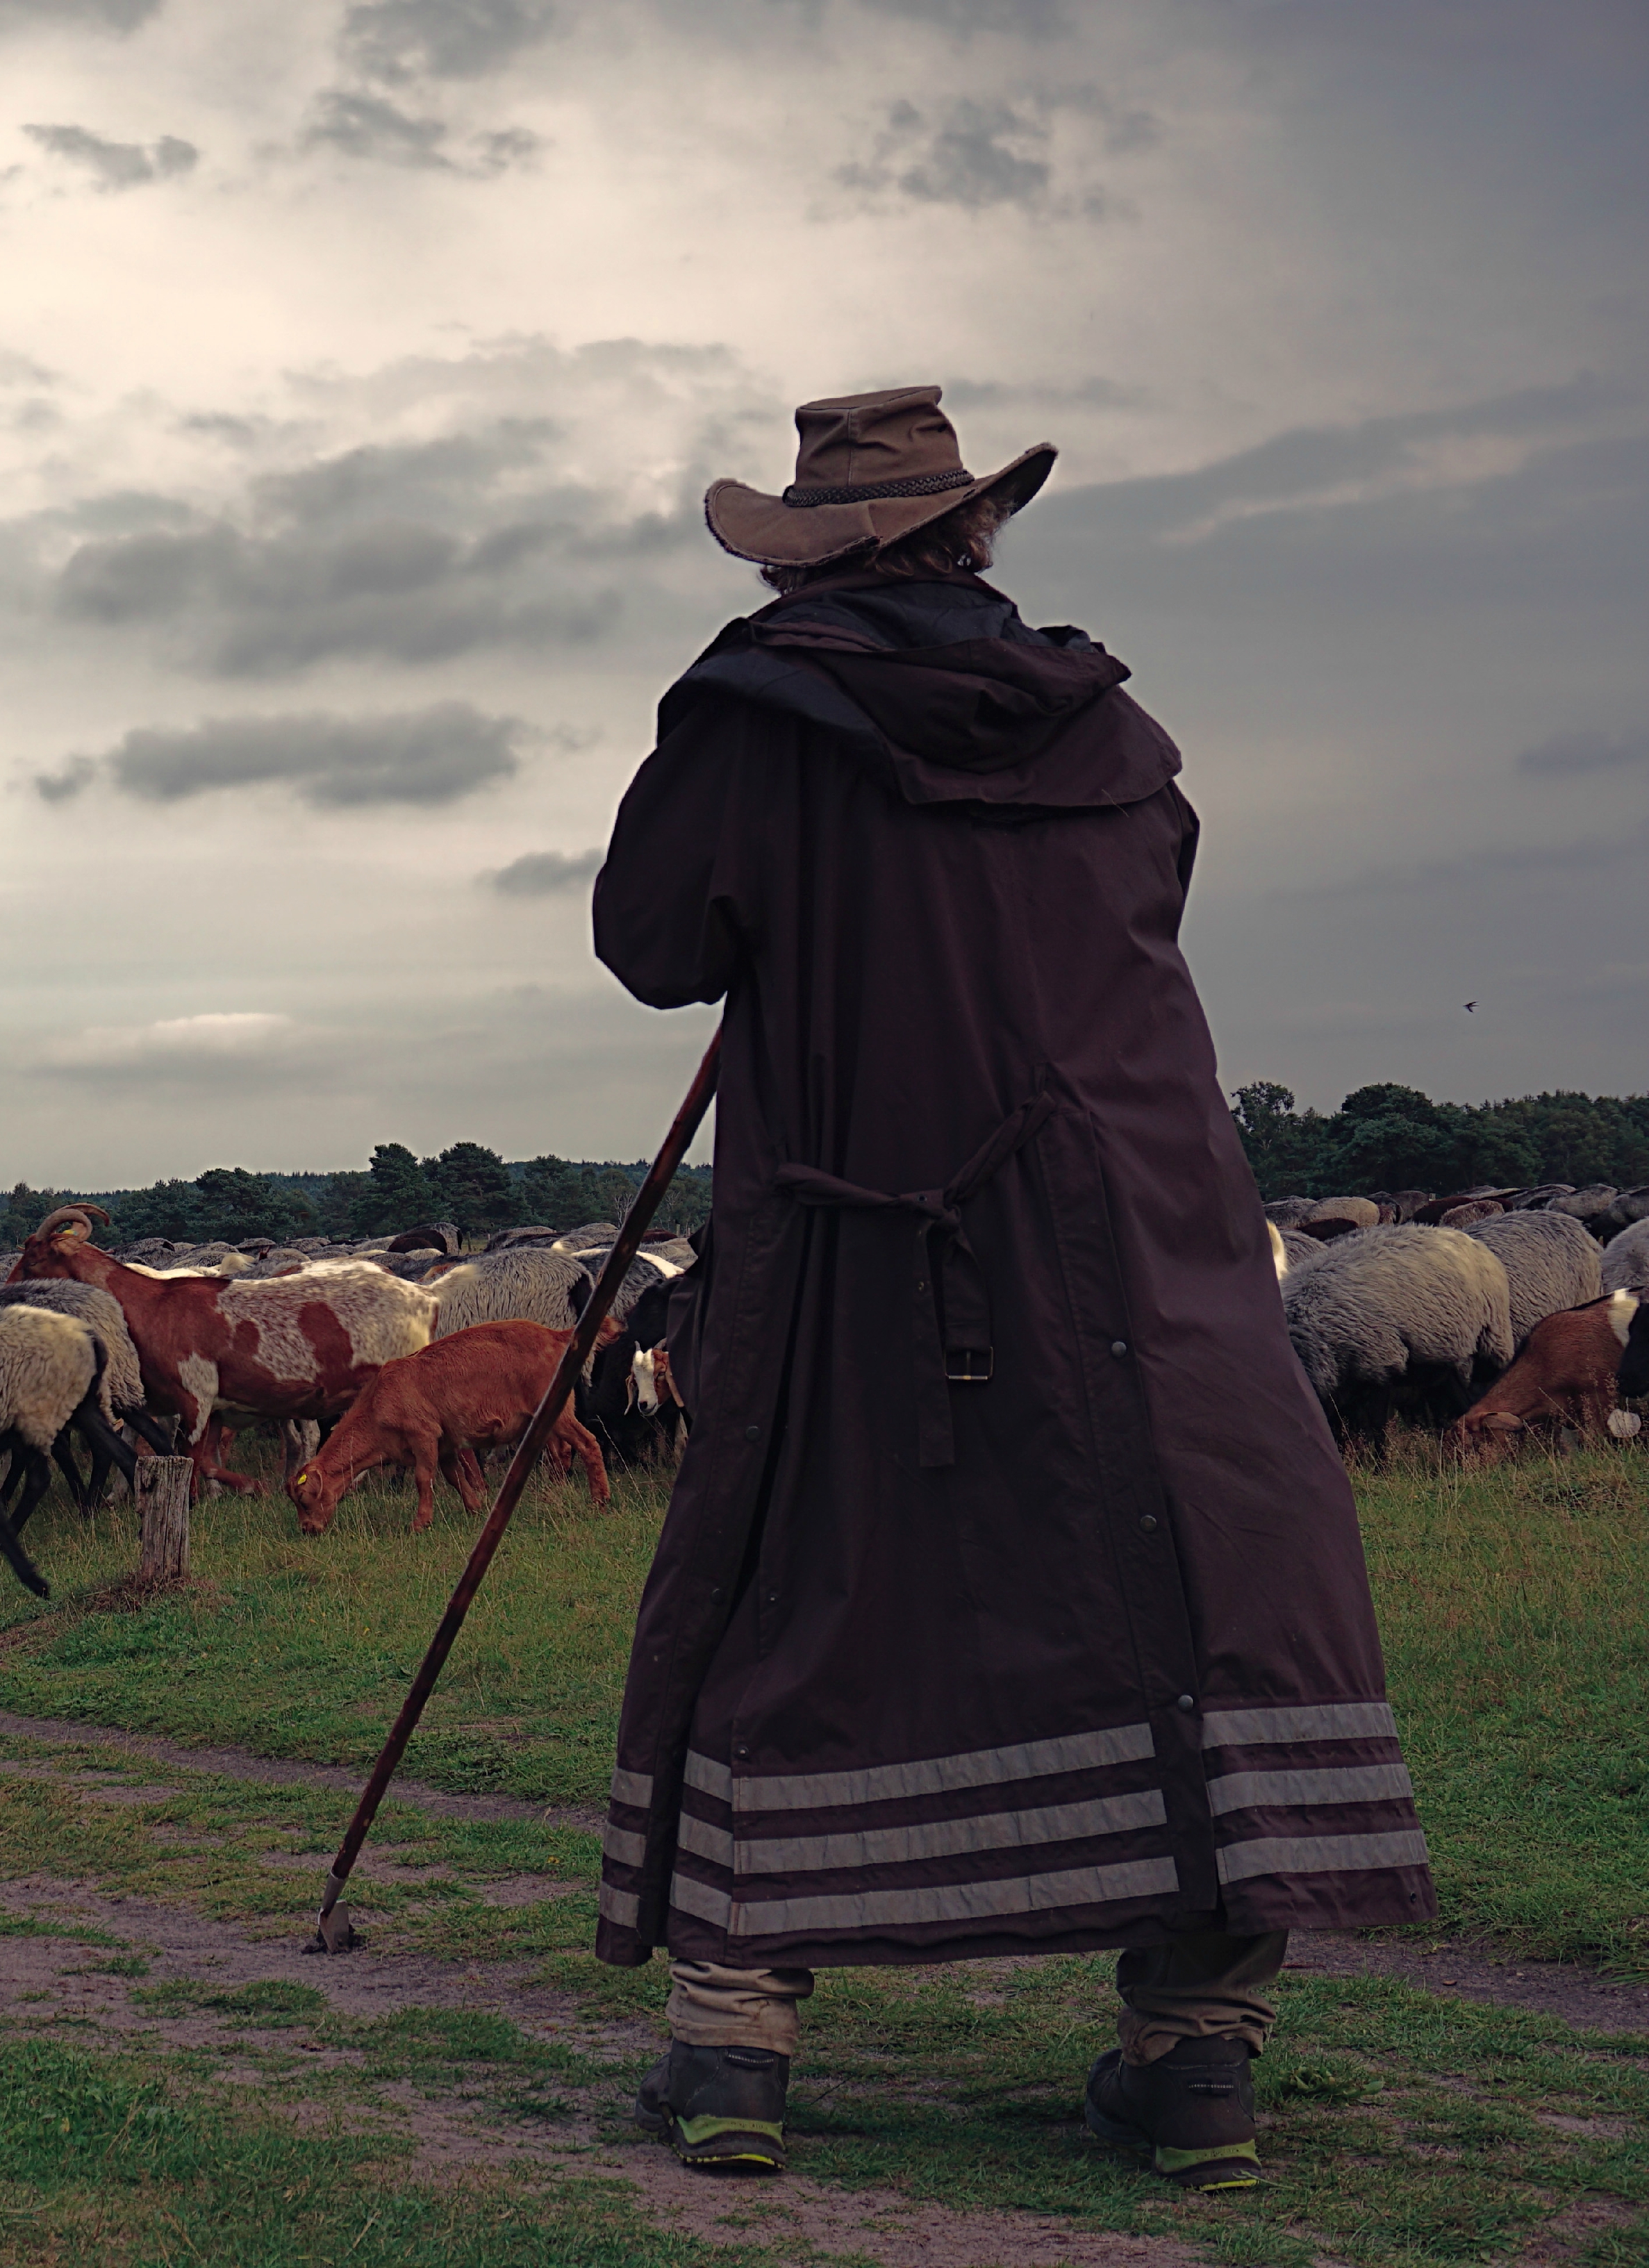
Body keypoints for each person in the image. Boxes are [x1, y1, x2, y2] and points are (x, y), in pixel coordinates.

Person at [588, 386, 1434, 2191]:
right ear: (975, 534)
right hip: (1147, 1237)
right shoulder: (1115, 728)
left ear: (819, 548)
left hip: (864, 1235)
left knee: (795, 1592)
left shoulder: (755, 715)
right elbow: (1131, 922)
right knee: (1209, 1589)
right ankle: (1193, 2057)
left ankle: (735, 2043)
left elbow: (651, 943)